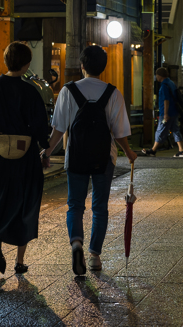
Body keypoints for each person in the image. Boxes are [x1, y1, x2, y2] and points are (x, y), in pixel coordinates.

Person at [43, 46, 137, 275]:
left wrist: (46, 152)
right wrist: (129, 152)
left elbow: (58, 129)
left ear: (82, 66)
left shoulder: (68, 91)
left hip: (75, 157)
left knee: (75, 204)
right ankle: (94, 255)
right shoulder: (113, 93)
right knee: (100, 207)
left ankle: (76, 243)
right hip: (104, 159)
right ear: (103, 67)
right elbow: (119, 133)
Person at [0, 42, 52, 275]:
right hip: (24, 156)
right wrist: (44, 152)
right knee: (25, 202)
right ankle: (19, 261)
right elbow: (39, 126)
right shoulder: (30, 91)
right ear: (27, 65)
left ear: (5, 61)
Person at [142, 68, 183, 158]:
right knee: (175, 130)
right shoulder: (171, 83)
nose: (156, 77)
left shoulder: (164, 85)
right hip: (174, 112)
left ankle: (153, 150)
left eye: (156, 75)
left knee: (160, 131)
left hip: (167, 113)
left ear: (159, 75)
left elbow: (166, 100)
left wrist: (165, 114)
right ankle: (181, 151)